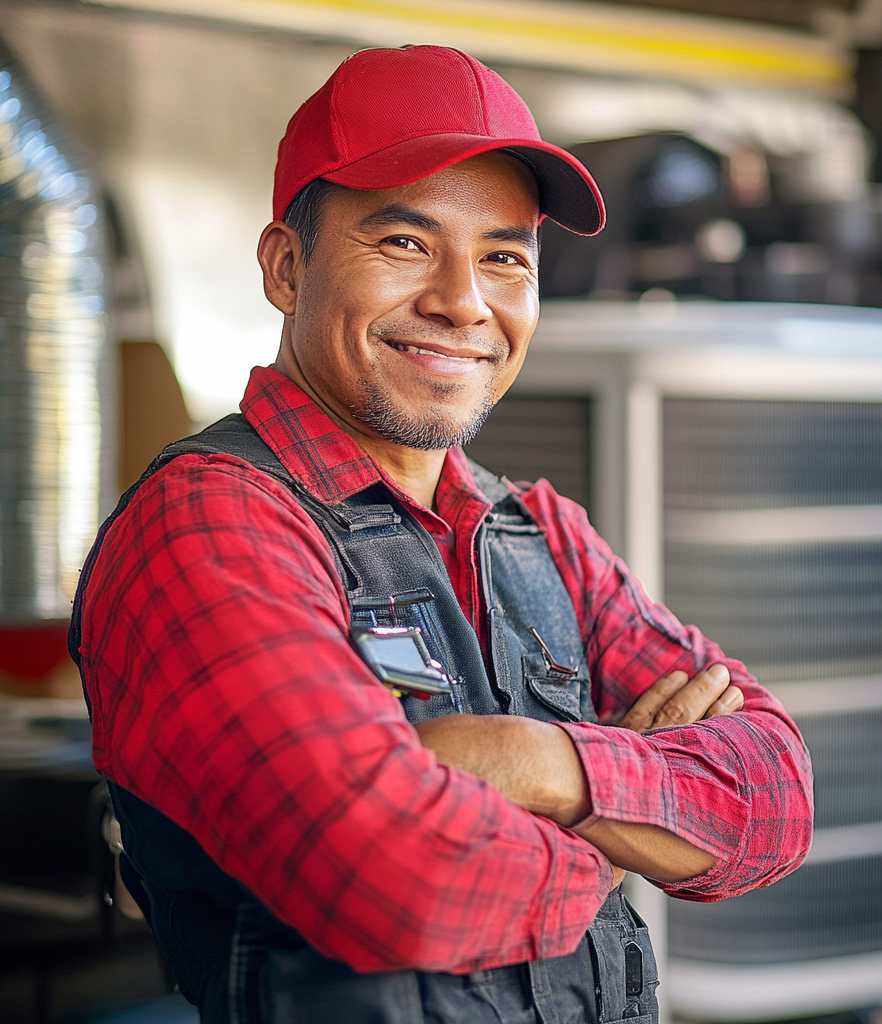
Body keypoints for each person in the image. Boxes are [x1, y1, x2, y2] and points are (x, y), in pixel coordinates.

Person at [71, 45, 813, 1024]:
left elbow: (773, 797)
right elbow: (396, 879)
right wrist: (628, 821)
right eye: (406, 243)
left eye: (504, 256)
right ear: (286, 268)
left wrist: (532, 761)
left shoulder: (543, 532)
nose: (464, 301)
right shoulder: (210, 526)